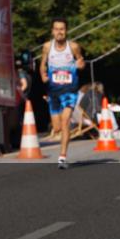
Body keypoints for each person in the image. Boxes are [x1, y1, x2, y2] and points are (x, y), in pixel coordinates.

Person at [39, 18, 85, 169]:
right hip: (53, 91)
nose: (59, 32)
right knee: (57, 127)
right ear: (52, 31)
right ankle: (62, 130)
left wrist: (80, 65)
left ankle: (62, 157)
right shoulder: (47, 47)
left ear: (66, 31)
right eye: (56, 29)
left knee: (65, 122)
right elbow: (42, 64)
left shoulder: (73, 47)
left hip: (70, 90)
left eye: (62, 29)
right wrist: (43, 75)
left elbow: (81, 61)